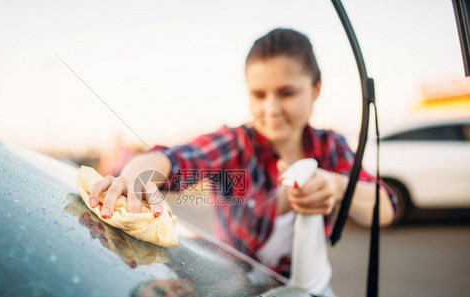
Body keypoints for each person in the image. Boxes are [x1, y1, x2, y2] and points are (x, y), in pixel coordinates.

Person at [88, 28, 396, 280]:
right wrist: (131, 177)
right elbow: (171, 159)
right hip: (234, 294)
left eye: (287, 93)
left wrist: (338, 186)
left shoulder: (331, 147)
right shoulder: (235, 145)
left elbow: (385, 208)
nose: (270, 108)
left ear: (315, 89)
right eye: (259, 94)